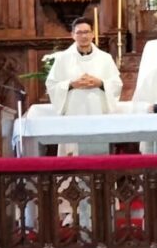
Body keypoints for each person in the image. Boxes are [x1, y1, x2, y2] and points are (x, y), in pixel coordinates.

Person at [45, 17, 123, 155]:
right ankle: (71, 177)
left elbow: (117, 84)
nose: (84, 36)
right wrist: (71, 84)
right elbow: (51, 85)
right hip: (73, 113)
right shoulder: (63, 58)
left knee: (97, 151)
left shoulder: (105, 58)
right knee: (73, 150)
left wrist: (100, 83)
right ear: (73, 35)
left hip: (97, 111)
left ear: (93, 34)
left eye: (87, 32)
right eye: (79, 33)